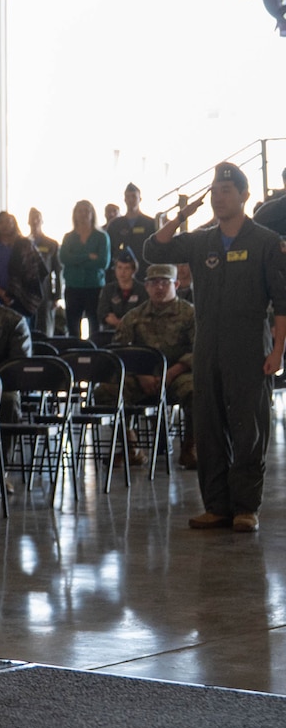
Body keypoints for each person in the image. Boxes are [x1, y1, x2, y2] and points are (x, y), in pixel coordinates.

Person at [145, 163, 286, 532]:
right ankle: (217, 505)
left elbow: (283, 302)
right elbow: (151, 250)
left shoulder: (265, 242)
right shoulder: (201, 240)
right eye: (215, 191)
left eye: (227, 190)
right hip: (207, 345)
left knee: (248, 428)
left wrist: (278, 351)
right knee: (208, 426)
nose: (219, 197)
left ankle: (245, 507)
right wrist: (181, 216)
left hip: (249, 346)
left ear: (244, 195)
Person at [113, 264, 197, 469]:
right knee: (108, 391)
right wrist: (140, 374)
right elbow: (119, 351)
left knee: (197, 391)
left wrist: (173, 372)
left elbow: (201, 350)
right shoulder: (133, 316)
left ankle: (190, 448)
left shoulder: (191, 314)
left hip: (179, 373)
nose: (159, 287)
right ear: (146, 287)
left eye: (164, 282)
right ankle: (131, 447)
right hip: (143, 376)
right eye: (153, 283)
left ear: (176, 284)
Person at [0, 211, 48, 333]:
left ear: (14, 224)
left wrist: (18, 292)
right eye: (1, 222)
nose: (5, 225)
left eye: (9, 221)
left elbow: (38, 272)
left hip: (22, 300)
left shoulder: (25, 245)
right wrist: (0, 292)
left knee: (22, 333)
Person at [57, 200, 111, 343]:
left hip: (94, 286)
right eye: (79, 211)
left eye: (86, 210)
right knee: (73, 326)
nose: (83, 214)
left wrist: (75, 260)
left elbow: (103, 262)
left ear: (92, 214)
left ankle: (96, 355)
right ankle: (75, 354)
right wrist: (87, 256)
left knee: (95, 324)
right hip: (73, 287)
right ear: (75, 214)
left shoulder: (101, 236)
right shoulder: (69, 237)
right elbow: (64, 258)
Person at [107, 184, 157, 282]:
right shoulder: (115, 225)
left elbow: (156, 250)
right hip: (121, 274)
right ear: (124, 199)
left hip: (144, 273)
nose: (130, 200)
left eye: (134, 196)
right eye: (128, 197)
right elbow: (110, 251)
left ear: (140, 199)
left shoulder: (150, 224)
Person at [98, 248, 148, 341]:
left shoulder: (143, 289)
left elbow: (143, 314)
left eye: (127, 268)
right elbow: (103, 313)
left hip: (137, 335)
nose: (122, 272)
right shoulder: (108, 289)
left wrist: (123, 323)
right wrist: (119, 323)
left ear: (133, 270)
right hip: (111, 333)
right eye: (119, 267)